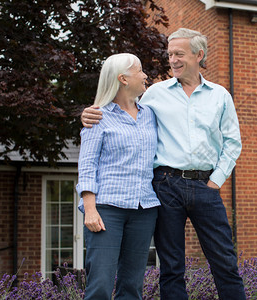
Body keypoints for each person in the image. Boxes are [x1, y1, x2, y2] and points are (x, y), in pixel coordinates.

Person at [81, 28, 246, 300]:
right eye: (170, 54)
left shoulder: (220, 96)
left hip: (206, 186)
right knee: (171, 266)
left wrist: (216, 180)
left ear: (198, 55)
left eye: (179, 54)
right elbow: (119, 108)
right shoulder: (155, 94)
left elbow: (232, 143)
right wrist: (88, 114)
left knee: (225, 261)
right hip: (166, 186)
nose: (173, 60)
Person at [76, 53, 160, 300]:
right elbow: (87, 165)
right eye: (140, 71)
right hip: (107, 210)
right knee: (100, 284)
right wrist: (89, 209)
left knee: (132, 286)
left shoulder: (150, 114)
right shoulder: (98, 116)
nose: (145, 76)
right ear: (123, 79)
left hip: (144, 209)